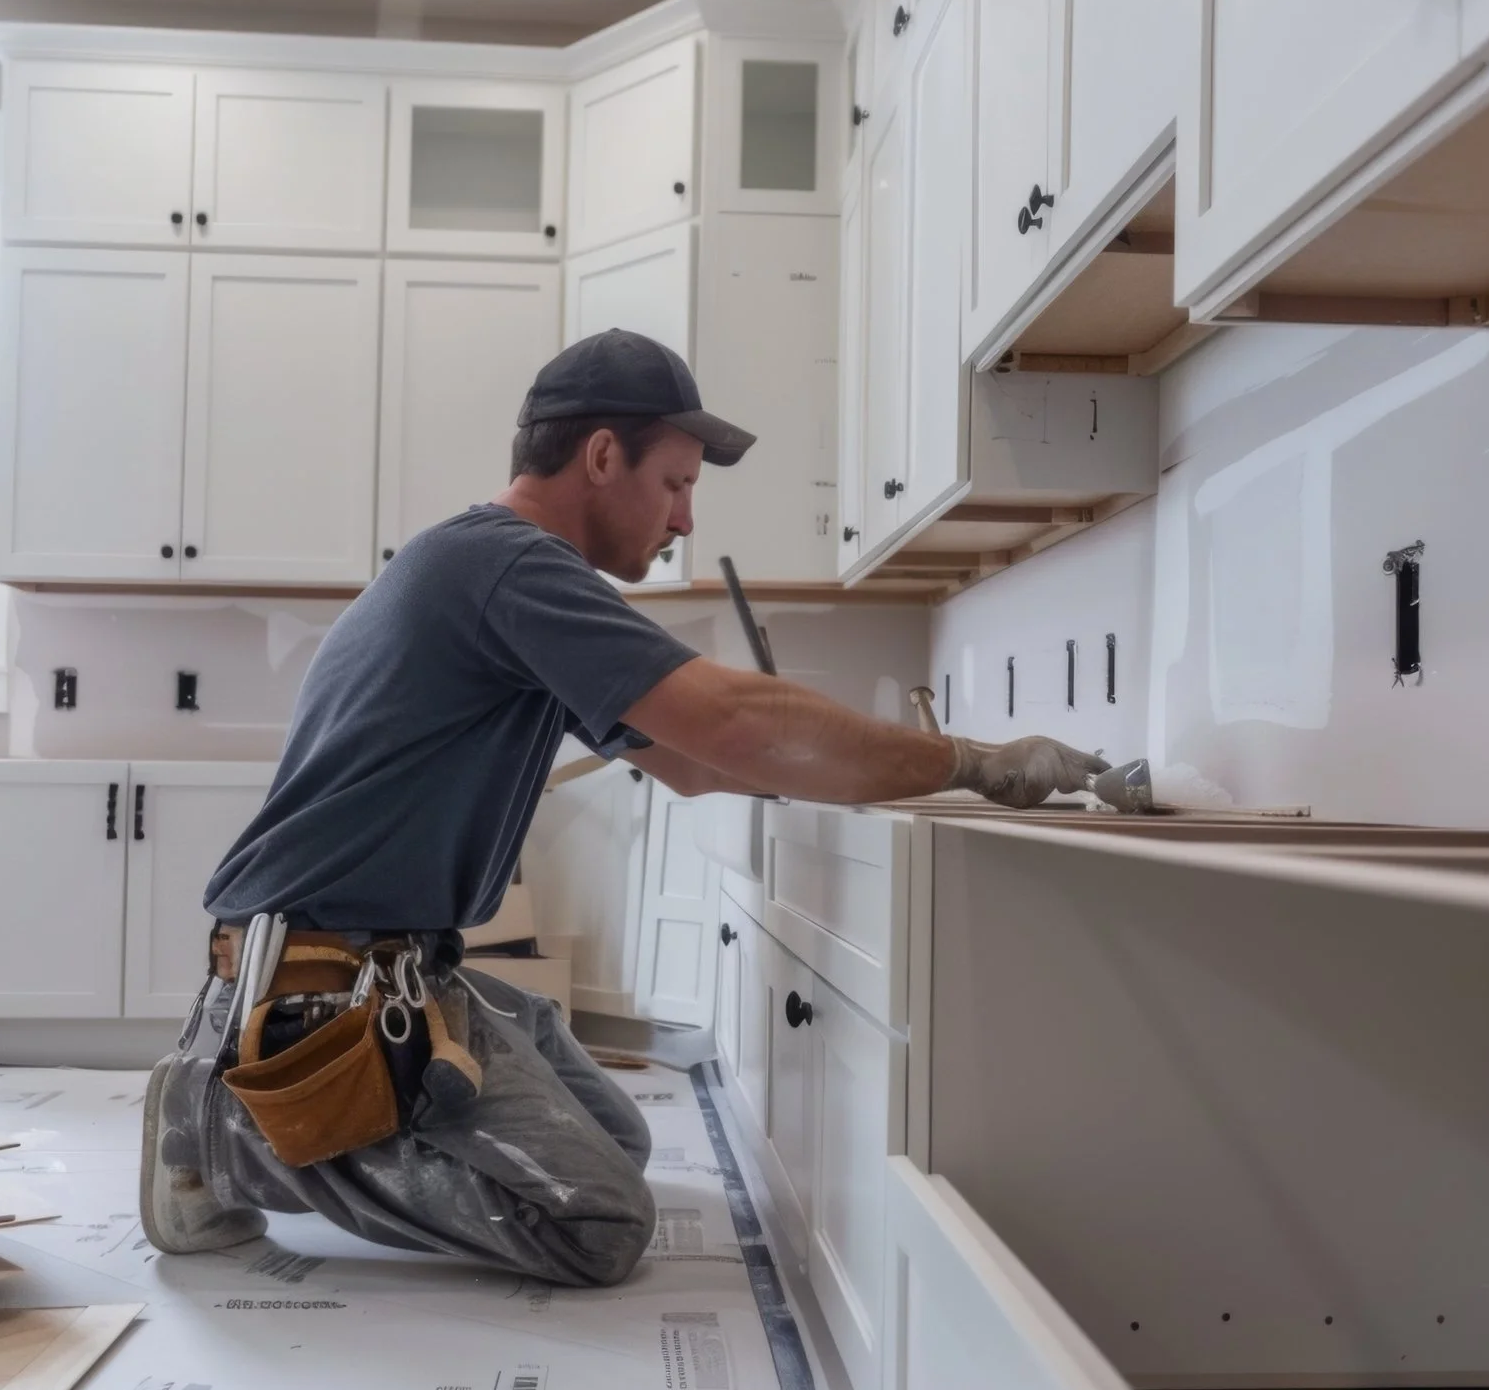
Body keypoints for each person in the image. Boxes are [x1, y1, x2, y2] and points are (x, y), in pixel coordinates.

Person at [140, 329, 1103, 1287]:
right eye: (676, 483)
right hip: (317, 995)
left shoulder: (498, 579)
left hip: (388, 971)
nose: (684, 520)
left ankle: (316, 1105)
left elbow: (693, 763)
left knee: (618, 1137)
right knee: (597, 1222)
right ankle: (226, 1128)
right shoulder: (508, 567)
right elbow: (727, 722)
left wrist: (870, 767)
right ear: (602, 456)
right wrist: (969, 761)